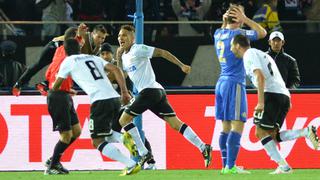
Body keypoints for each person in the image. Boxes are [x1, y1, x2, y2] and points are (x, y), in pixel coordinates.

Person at [116, 25, 212, 168]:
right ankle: (203, 147)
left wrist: (181, 65)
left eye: (124, 35)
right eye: (119, 35)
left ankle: (143, 153)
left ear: (132, 37)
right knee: (175, 124)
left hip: (149, 91)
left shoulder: (138, 49)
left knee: (123, 119)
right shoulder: (124, 55)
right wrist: (118, 58)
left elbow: (161, 52)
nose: (121, 38)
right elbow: (123, 75)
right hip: (156, 92)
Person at [230, 34, 319, 174]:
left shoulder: (249, 55)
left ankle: (284, 166)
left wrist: (260, 102)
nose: (231, 49)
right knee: (272, 135)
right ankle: (304, 133)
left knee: (259, 132)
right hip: (282, 95)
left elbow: (259, 76)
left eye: (231, 46)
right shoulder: (262, 54)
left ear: (237, 45)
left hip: (271, 95)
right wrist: (286, 98)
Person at [53, 38, 141, 176]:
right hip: (114, 98)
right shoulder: (93, 58)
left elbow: (56, 85)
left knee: (97, 141)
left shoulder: (68, 61)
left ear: (65, 50)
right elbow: (116, 69)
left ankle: (130, 163)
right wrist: (124, 91)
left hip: (100, 101)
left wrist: (52, 89)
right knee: (107, 135)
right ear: (79, 48)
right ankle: (121, 138)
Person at [213, 3, 267, 174]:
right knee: (238, 125)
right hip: (234, 83)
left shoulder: (218, 33)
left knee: (226, 127)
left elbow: (224, 28)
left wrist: (225, 21)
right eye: (241, 14)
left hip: (221, 82)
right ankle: (231, 166)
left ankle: (224, 166)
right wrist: (245, 19)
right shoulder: (239, 34)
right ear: (238, 18)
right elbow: (262, 33)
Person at [99, 42, 157, 170]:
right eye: (102, 54)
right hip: (116, 106)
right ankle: (149, 159)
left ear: (111, 53)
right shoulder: (102, 68)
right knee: (131, 130)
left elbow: (122, 75)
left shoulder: (114, 66)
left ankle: (142, 153)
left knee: (114, 132)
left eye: (107, 53)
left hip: (125, 102)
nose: (105, 56)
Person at [12, 23, 88, 96]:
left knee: (64, 69)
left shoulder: (83, 40)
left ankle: (44, 84)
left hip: (59, 48)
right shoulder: (78, 37)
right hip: (54, 46)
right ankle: (19, 84)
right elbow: (75, 37)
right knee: (39, 65)